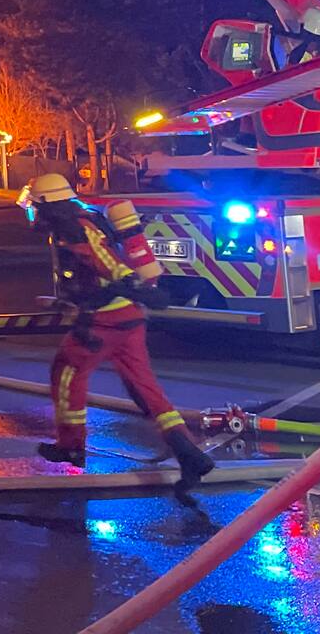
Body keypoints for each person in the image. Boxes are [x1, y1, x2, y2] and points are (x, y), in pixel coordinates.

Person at [20, 172, 215, 493]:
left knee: (67, 373)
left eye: (36, 207)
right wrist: (68, 299)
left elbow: (105, 262)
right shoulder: (84, 222)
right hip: (128, 318)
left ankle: (70, 445)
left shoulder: (75, 229)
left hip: (105, 320)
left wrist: (133, 287)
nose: (33, 213)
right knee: (146, 389)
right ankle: (189, 453)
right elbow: (87, 273)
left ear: (49, 205)